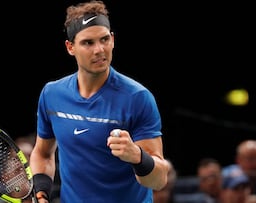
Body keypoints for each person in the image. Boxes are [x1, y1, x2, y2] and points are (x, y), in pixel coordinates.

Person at [29, 1, 170, 202]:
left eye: (104, 39)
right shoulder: (52, 94)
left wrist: (138, 156)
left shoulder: (138, 97)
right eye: (88, 43)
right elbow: (42, 154)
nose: (99, 50)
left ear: (112, 40)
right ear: (70, 47)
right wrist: (41, 193)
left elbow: (159, 180)